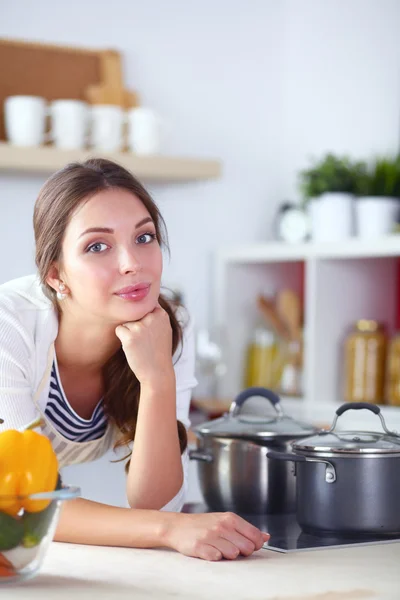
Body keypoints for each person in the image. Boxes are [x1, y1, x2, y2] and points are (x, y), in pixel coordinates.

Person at [0, 158, 269, 561]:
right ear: (56, 275)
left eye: (144, 238)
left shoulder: (167, 325)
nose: (132, 263)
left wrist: (158, 378)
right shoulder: (10, 326)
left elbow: (157, 503)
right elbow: (24, 501)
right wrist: (170, 530)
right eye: (97, 246)